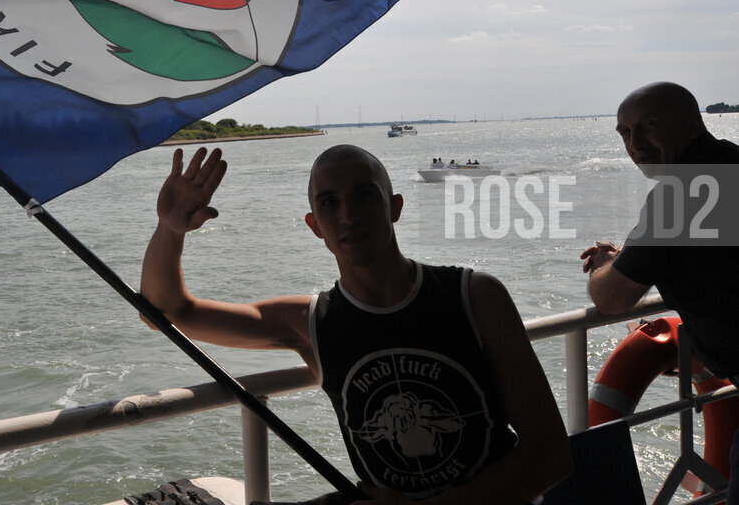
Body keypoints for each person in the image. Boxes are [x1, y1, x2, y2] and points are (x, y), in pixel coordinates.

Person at [141, 145, 571, 504]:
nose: (347, 214)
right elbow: (167, 313)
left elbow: (551, 454)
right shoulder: (311, 322)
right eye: (329, 203)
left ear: (395, 207)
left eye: (364, 195)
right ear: (315, 226)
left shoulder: (475, 296)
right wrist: (170, 229)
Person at [581, 81, 739, 504]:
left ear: (691, 124)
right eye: (625, 133)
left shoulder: (682, 196)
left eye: (648, 126)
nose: (636, 144)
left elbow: (611, 298)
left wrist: (602, 266)